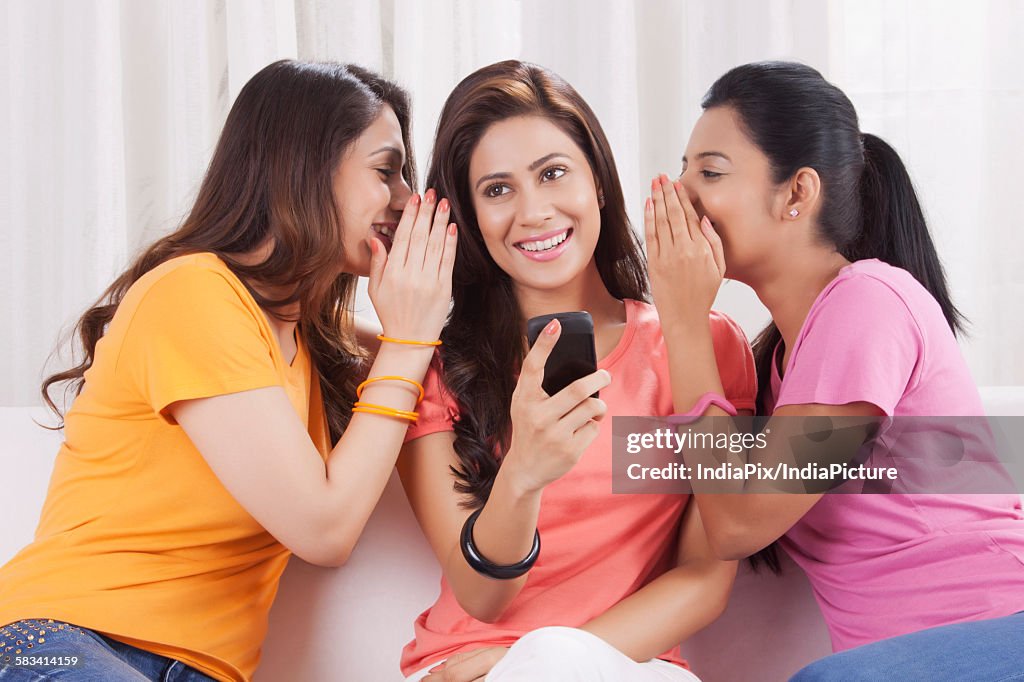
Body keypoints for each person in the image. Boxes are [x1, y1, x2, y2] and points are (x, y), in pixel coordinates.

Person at [0, 60, 457, 682]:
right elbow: (324, 530)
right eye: (386, 171)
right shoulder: (191, 293)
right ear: (305, 169)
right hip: (58, 638)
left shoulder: (315, 339)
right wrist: (409, 339)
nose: (407, 200)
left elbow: (454, 363)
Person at [649, 60, 1024, 681]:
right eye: (683, 168)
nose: (678, 194)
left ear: (796, 193)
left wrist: (684, 319)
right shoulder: (774, 364)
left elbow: (737, 524)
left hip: (998, 631)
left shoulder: (868, 301)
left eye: (710, 172)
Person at [398, 60, 757, 682]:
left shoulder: (701, 344)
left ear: (597, 181)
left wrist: (546, 660)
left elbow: (705, 577)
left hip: (617, 666)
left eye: (554, 173)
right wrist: (523, 473)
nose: (534, 211)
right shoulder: (437, 369)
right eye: (498, 189)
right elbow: (482, 596)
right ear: (470, 216)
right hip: (469, 669)